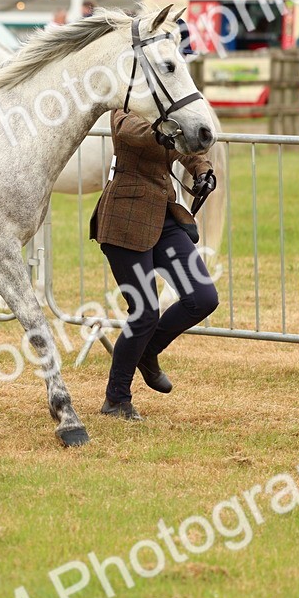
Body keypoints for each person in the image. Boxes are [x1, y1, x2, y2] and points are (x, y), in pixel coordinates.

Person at [89, 110, 219, 421]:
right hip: (124, 219)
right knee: (145, 312)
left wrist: (203, 170)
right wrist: (169, 129)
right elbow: (130, 131)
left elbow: (192, 147)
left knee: (202, 298)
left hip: (165, 219)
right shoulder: (126, 105)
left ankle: (146, 351)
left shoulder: (173, 107)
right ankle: (116, 400)